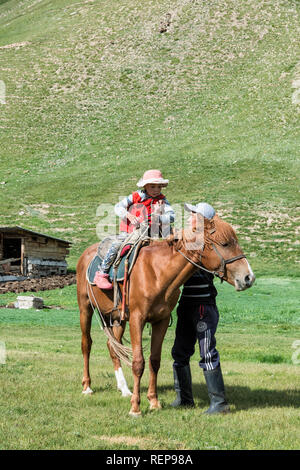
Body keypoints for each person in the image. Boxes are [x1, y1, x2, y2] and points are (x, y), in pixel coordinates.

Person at [171, 202, 230, 414]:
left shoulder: (205, 243)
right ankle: (184, 399)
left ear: (202, 220)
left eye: (193, 214)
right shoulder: (189, 239)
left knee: (207, 353)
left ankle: (219, 404)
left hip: (203, 307)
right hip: (186, 304)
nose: (189, 217)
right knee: (179, 352)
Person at [94, 169, 175, 289]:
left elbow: (172, 216)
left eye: (159, 187)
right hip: (130, 231)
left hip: (152, 231)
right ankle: (102, 272)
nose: (156, 190)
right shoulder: (135, 196)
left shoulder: (162, 200)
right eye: (152, 186)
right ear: (145, 186)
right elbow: (118, 207)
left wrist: (158, 216)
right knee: (117, 244)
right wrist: (128, 215)